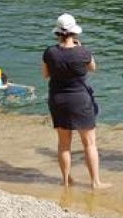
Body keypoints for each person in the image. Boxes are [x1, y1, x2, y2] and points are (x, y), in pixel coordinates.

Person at [41, 13, 109, 190]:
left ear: (58, 32)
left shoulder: (50, 52)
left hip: (58, 99)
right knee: (89, 143)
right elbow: (93, 68)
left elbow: (45, 75)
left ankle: (65, 180)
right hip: (80, 100)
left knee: (64, 144)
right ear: (74, 33)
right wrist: (81, 49)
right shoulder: (83, 52)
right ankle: (95, 182)